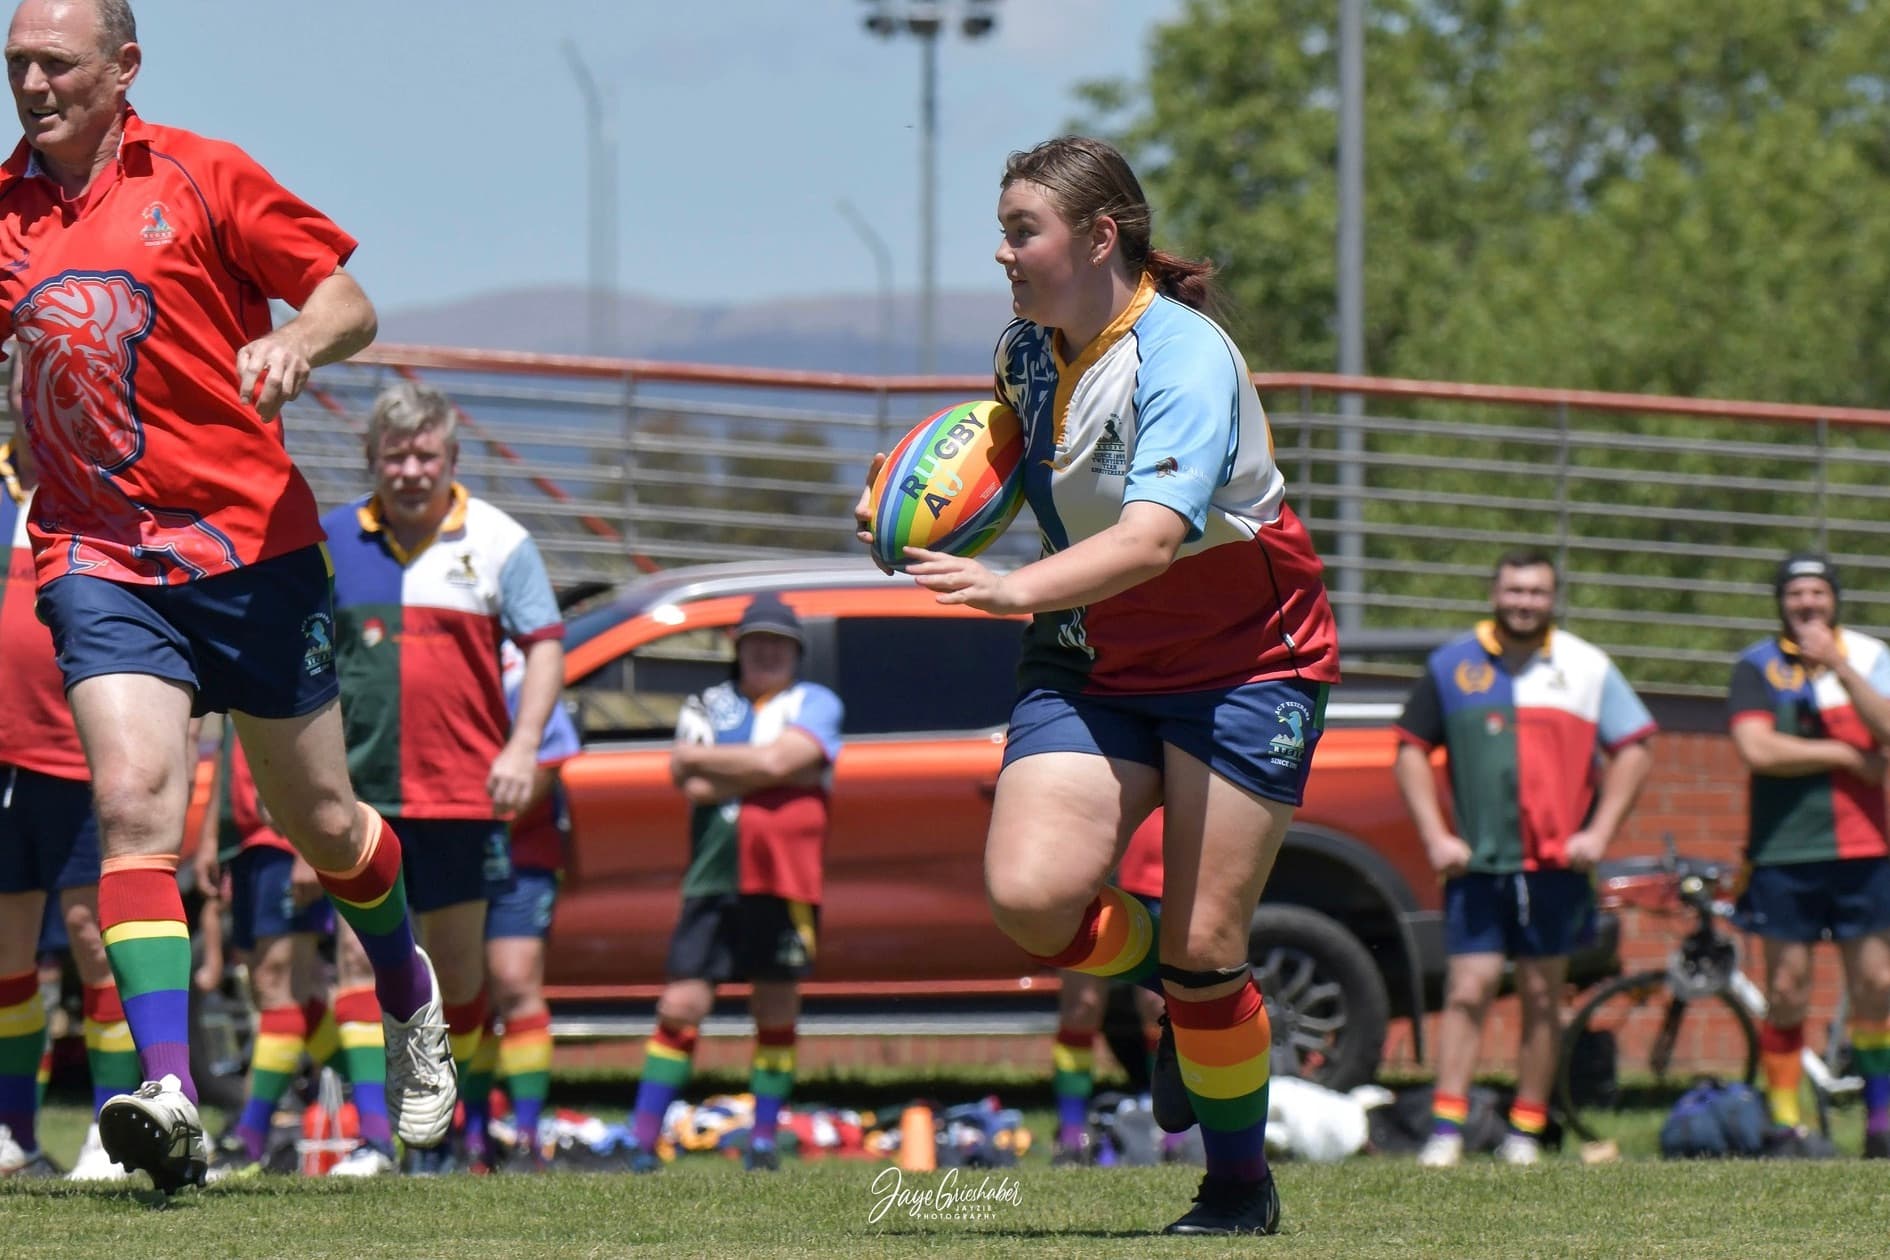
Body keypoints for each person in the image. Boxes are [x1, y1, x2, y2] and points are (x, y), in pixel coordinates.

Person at [0, 0, 454, 1191]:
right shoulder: (3, 216)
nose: (34, 83)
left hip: (249, 549)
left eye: (58, 62)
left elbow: (349, 300)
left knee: (328, 827)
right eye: (16, 65)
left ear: (124, 67)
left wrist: (302, 340)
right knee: (136, 801)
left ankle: (408, 993)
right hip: (97, 554)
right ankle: (166, 1093)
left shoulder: (205, 174)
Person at [856, 135, 1341, 1236]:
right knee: (1033, 901)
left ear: (1098, 238)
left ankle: (1235, 1191)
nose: (1004, 252)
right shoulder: (1026, 350)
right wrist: (899, 501)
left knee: (1211, 950)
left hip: (1248, 658)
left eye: (1022, 230)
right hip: (1093, 655)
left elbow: (1154, 539)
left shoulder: (1185, 355)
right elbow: (987, 467)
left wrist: (1006, 588)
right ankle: (1175, 979)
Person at [321, 380, 565, 1170]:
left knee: (459, 973)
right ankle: (369, 1139)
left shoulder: (500, 542)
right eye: (396, 455)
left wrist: (523, 746)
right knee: (361, 962)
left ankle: (448, 1138)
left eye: (426, 453)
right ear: (372, 461)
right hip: (357, 798)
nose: (412, 469)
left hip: (461, 796)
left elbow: (547, 647)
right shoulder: (329, 542)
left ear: (452, 457)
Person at [1393, 550, 1655, 1168]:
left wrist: (1599, 831)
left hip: (1557, 870)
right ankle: (1446, 1131)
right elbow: (1407, 749)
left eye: (1537, 592)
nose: (1524, 602)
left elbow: (1638, 747)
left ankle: (1524, 1131)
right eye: (1514, 590)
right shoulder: (1453, 664)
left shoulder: (1587, 666)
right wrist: (1436, 837)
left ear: (1552, 599)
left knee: (1543, 996)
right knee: (1468, 989)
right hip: (1477, 868)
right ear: (1495, 593)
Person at [624, 594, 844, 1175]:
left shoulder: (815, 701)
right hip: (712, 877)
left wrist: (723, 764)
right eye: (755, 641)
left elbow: (773, 762)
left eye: (779, 643)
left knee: (775, 1006)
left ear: (797, 652)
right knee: (681, 1004)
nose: (767, 651)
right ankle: (640, 1143)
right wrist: (774, 763)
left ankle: (764, 1141)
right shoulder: (707, 702)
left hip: (785, 878)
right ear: (737, 648)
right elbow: (689, 779)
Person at [0, 434, 137, 1181]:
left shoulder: (111, 487)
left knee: (96, 942)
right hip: (2, 757)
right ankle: (13, 1132)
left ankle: (108, 1134)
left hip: (83, 754)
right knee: (6, 951)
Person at [1728, 552, 1890, 1158]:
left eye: (1818, 594)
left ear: (1834, 600)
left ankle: (1880, 1124)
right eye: (1796, 595)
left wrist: (1841, 669)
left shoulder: (1871, 657)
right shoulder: (1755, 666)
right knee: (1789, 988)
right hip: (1783, 850)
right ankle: (1786, 1127)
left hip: (1865, 848)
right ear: (1781, 602)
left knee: (1876, 984)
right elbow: (1757, 749)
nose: (1807, 605)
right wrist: (1849, 758)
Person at [458, 637, 580, 1173]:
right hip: (451, 849)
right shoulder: (443, 648)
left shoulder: (524, 663)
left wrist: (482, 817)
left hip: (520, 853)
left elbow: (550, 759)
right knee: (467, 991)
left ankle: (529, 1139)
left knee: (513, 981)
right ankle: (474, 1135)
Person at [1050, 814, 1167, 1167]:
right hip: (1087, 860)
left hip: (1155, 862)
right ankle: (1071, 1133)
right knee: (1082, 1007)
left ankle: (1162, 1124)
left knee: (1157, 1006)